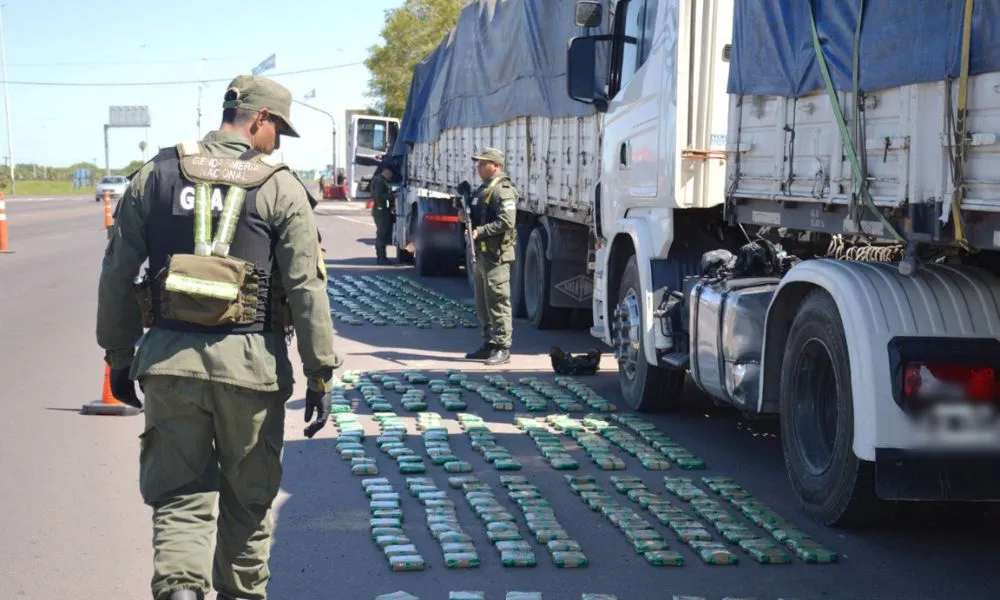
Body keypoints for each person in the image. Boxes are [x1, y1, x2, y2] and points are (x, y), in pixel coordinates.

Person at [96, 74, 341, 600]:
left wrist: (118, 355)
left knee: (181, 497)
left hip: (168, 363)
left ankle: (181, 591)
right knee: (247, 504)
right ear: (259, 120)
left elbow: (117, 272)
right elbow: (306, 287)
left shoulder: (155, 175)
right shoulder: (280, 187)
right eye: (278, 128)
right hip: (251, 369)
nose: (277, 141)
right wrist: (320, 374)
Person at [459, 147, 517, 366]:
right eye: (478, 163)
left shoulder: (504, 189)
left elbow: (507, 221)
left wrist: (479, 232)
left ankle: (503, 347)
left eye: (483, 163)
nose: (478, 167)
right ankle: (489, 344)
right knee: (483, 304)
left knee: (498, 301)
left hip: (496, 255)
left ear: (496, 166)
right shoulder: (481, 190)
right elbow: (477, 215)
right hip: (482, 254)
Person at [369, 163, 395, 264]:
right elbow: (379, 197)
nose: (391, 176)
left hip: (383, 209)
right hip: (381, 211)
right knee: (382, 234)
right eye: (390, 174)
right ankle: (381, 257)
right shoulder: (379, 181)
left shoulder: (381, 180)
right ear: (386, 171)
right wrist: (392, 196)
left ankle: (381, 256)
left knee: (383, 233)